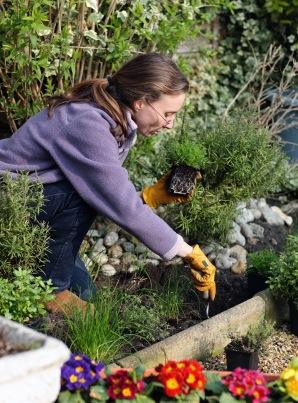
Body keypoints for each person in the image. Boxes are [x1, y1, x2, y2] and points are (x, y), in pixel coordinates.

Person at [0, 53, 216, 315]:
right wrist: (186, 251)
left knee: (85, 293)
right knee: (76, 195)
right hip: (9, 202)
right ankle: (49, 292)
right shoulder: (88, 123)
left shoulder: (116, 120)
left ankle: (34, 272)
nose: (170, 124)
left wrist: (151, 197)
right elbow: (116, 201)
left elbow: (108, 193)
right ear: (140, 102)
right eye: (168, 114)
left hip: (30, 202)